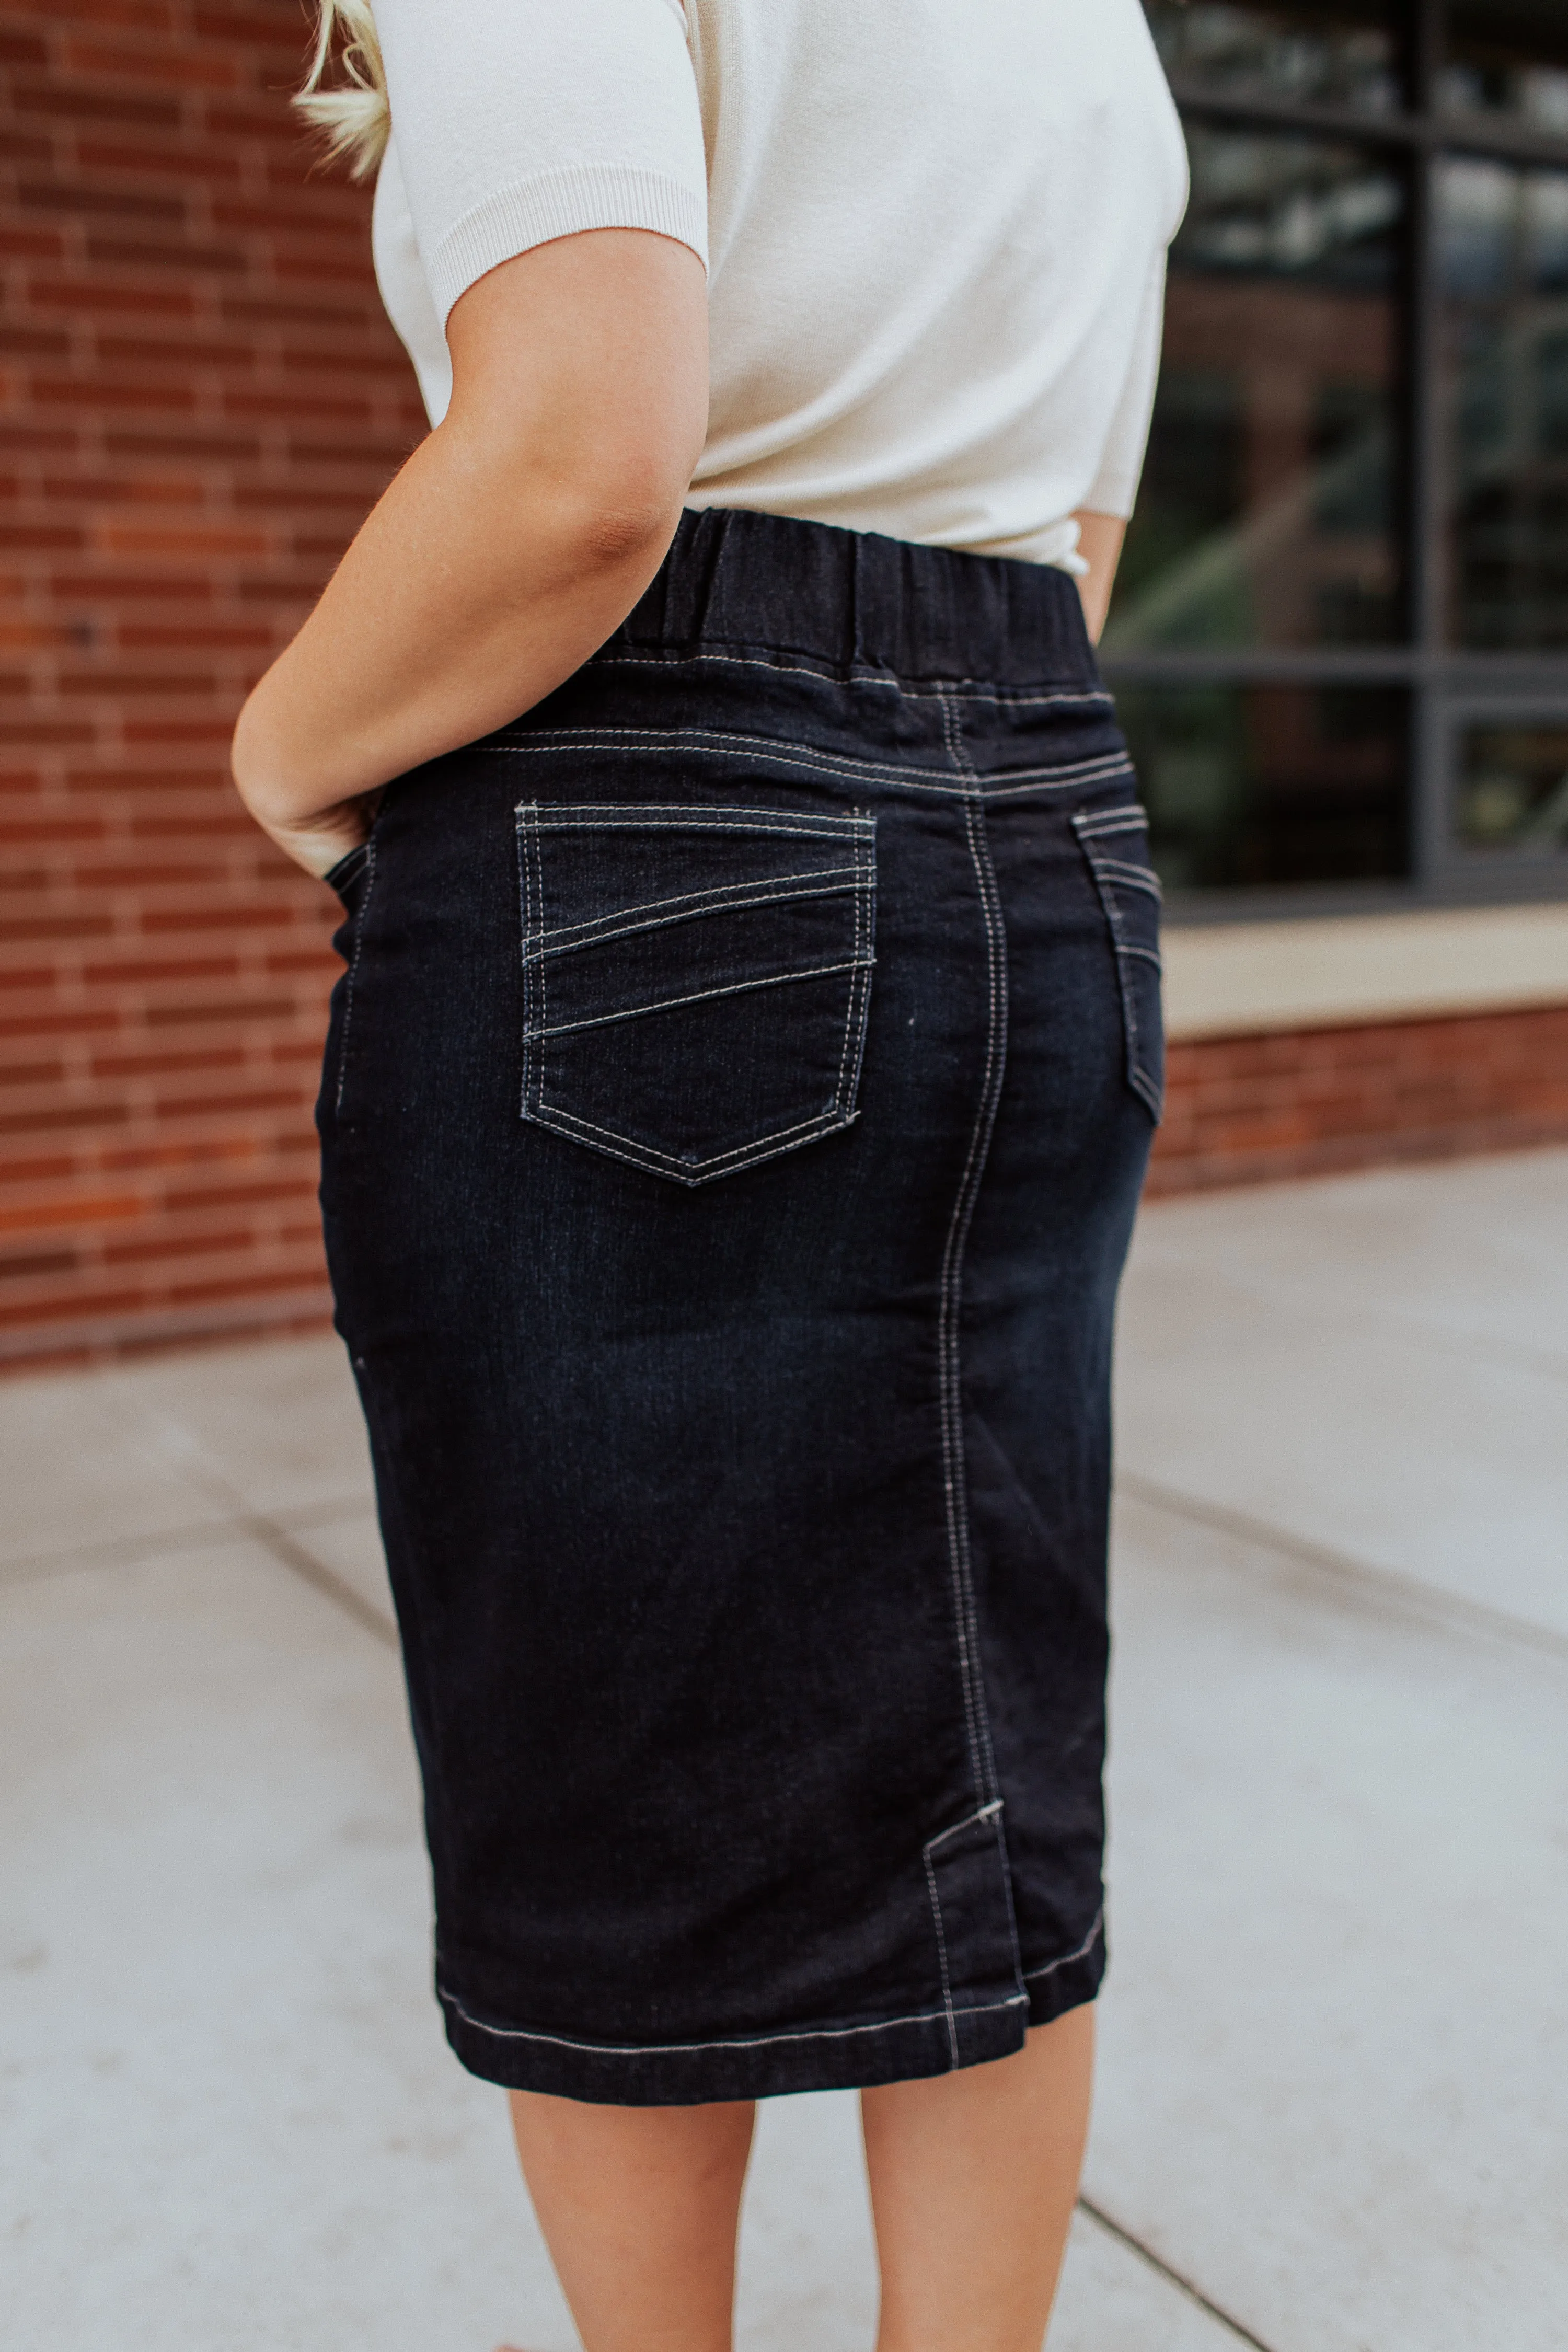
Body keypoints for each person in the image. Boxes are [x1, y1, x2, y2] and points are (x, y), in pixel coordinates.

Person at [230, 5, 1187, 2346]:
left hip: (653, 791)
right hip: (1041, 805)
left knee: (617, 1754)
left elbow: (576, 467)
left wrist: (283, 755)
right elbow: (1073, 534)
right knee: (985, 1738)